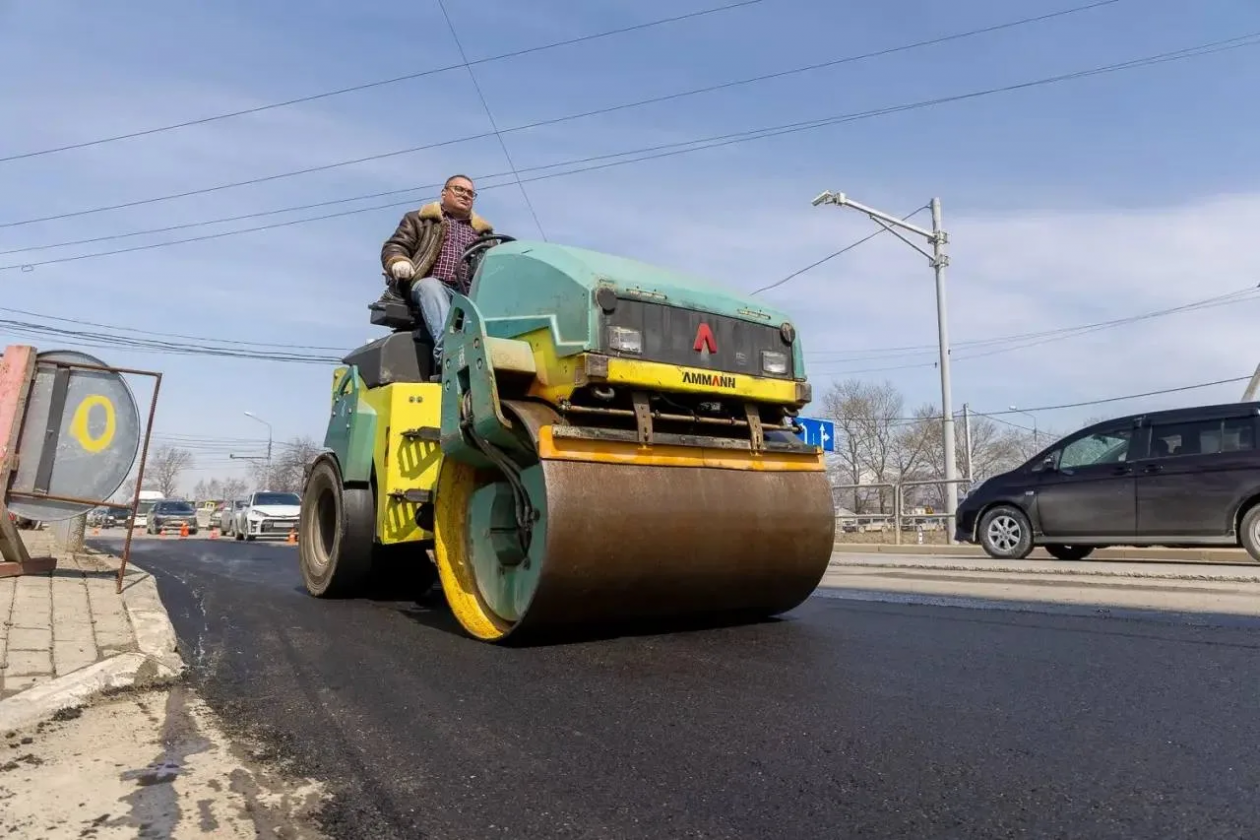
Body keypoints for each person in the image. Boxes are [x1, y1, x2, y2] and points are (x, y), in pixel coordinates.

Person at [380, 174, 494, 369]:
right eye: (459, 189)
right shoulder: (420, 219)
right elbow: (396, 246)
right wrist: (398, 261)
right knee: (429, 285)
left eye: (470, 193)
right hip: (427, 286)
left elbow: (494, 266)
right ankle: (448, 354)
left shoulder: (484, 234)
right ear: (444, 193)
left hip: (466, 294)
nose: (465, 195)